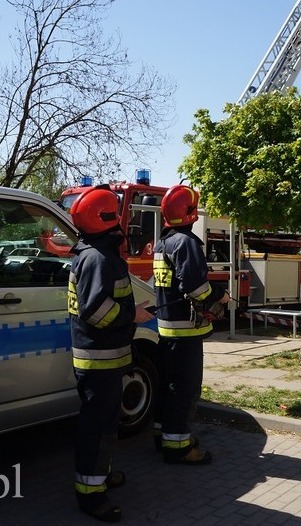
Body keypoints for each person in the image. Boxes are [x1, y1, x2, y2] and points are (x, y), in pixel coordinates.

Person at [68, 186, 154, 522]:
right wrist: (134, 315)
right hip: (98, 359)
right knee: (98, 426)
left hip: (106, 357)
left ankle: (100, 474)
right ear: (106, 217)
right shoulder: (97, 258)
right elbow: (95, 311)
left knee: (107, 423)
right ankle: (90, 494)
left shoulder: (94, 253)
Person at [152, 184, 230, 465]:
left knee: (168, 386)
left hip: (167, 329)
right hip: (186, 331)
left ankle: (163, 436)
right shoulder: (185, 242)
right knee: (184, 389)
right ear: (191, 213)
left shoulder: (163, 242)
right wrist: (221, 296)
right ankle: (179, 447)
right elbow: (196, 288)